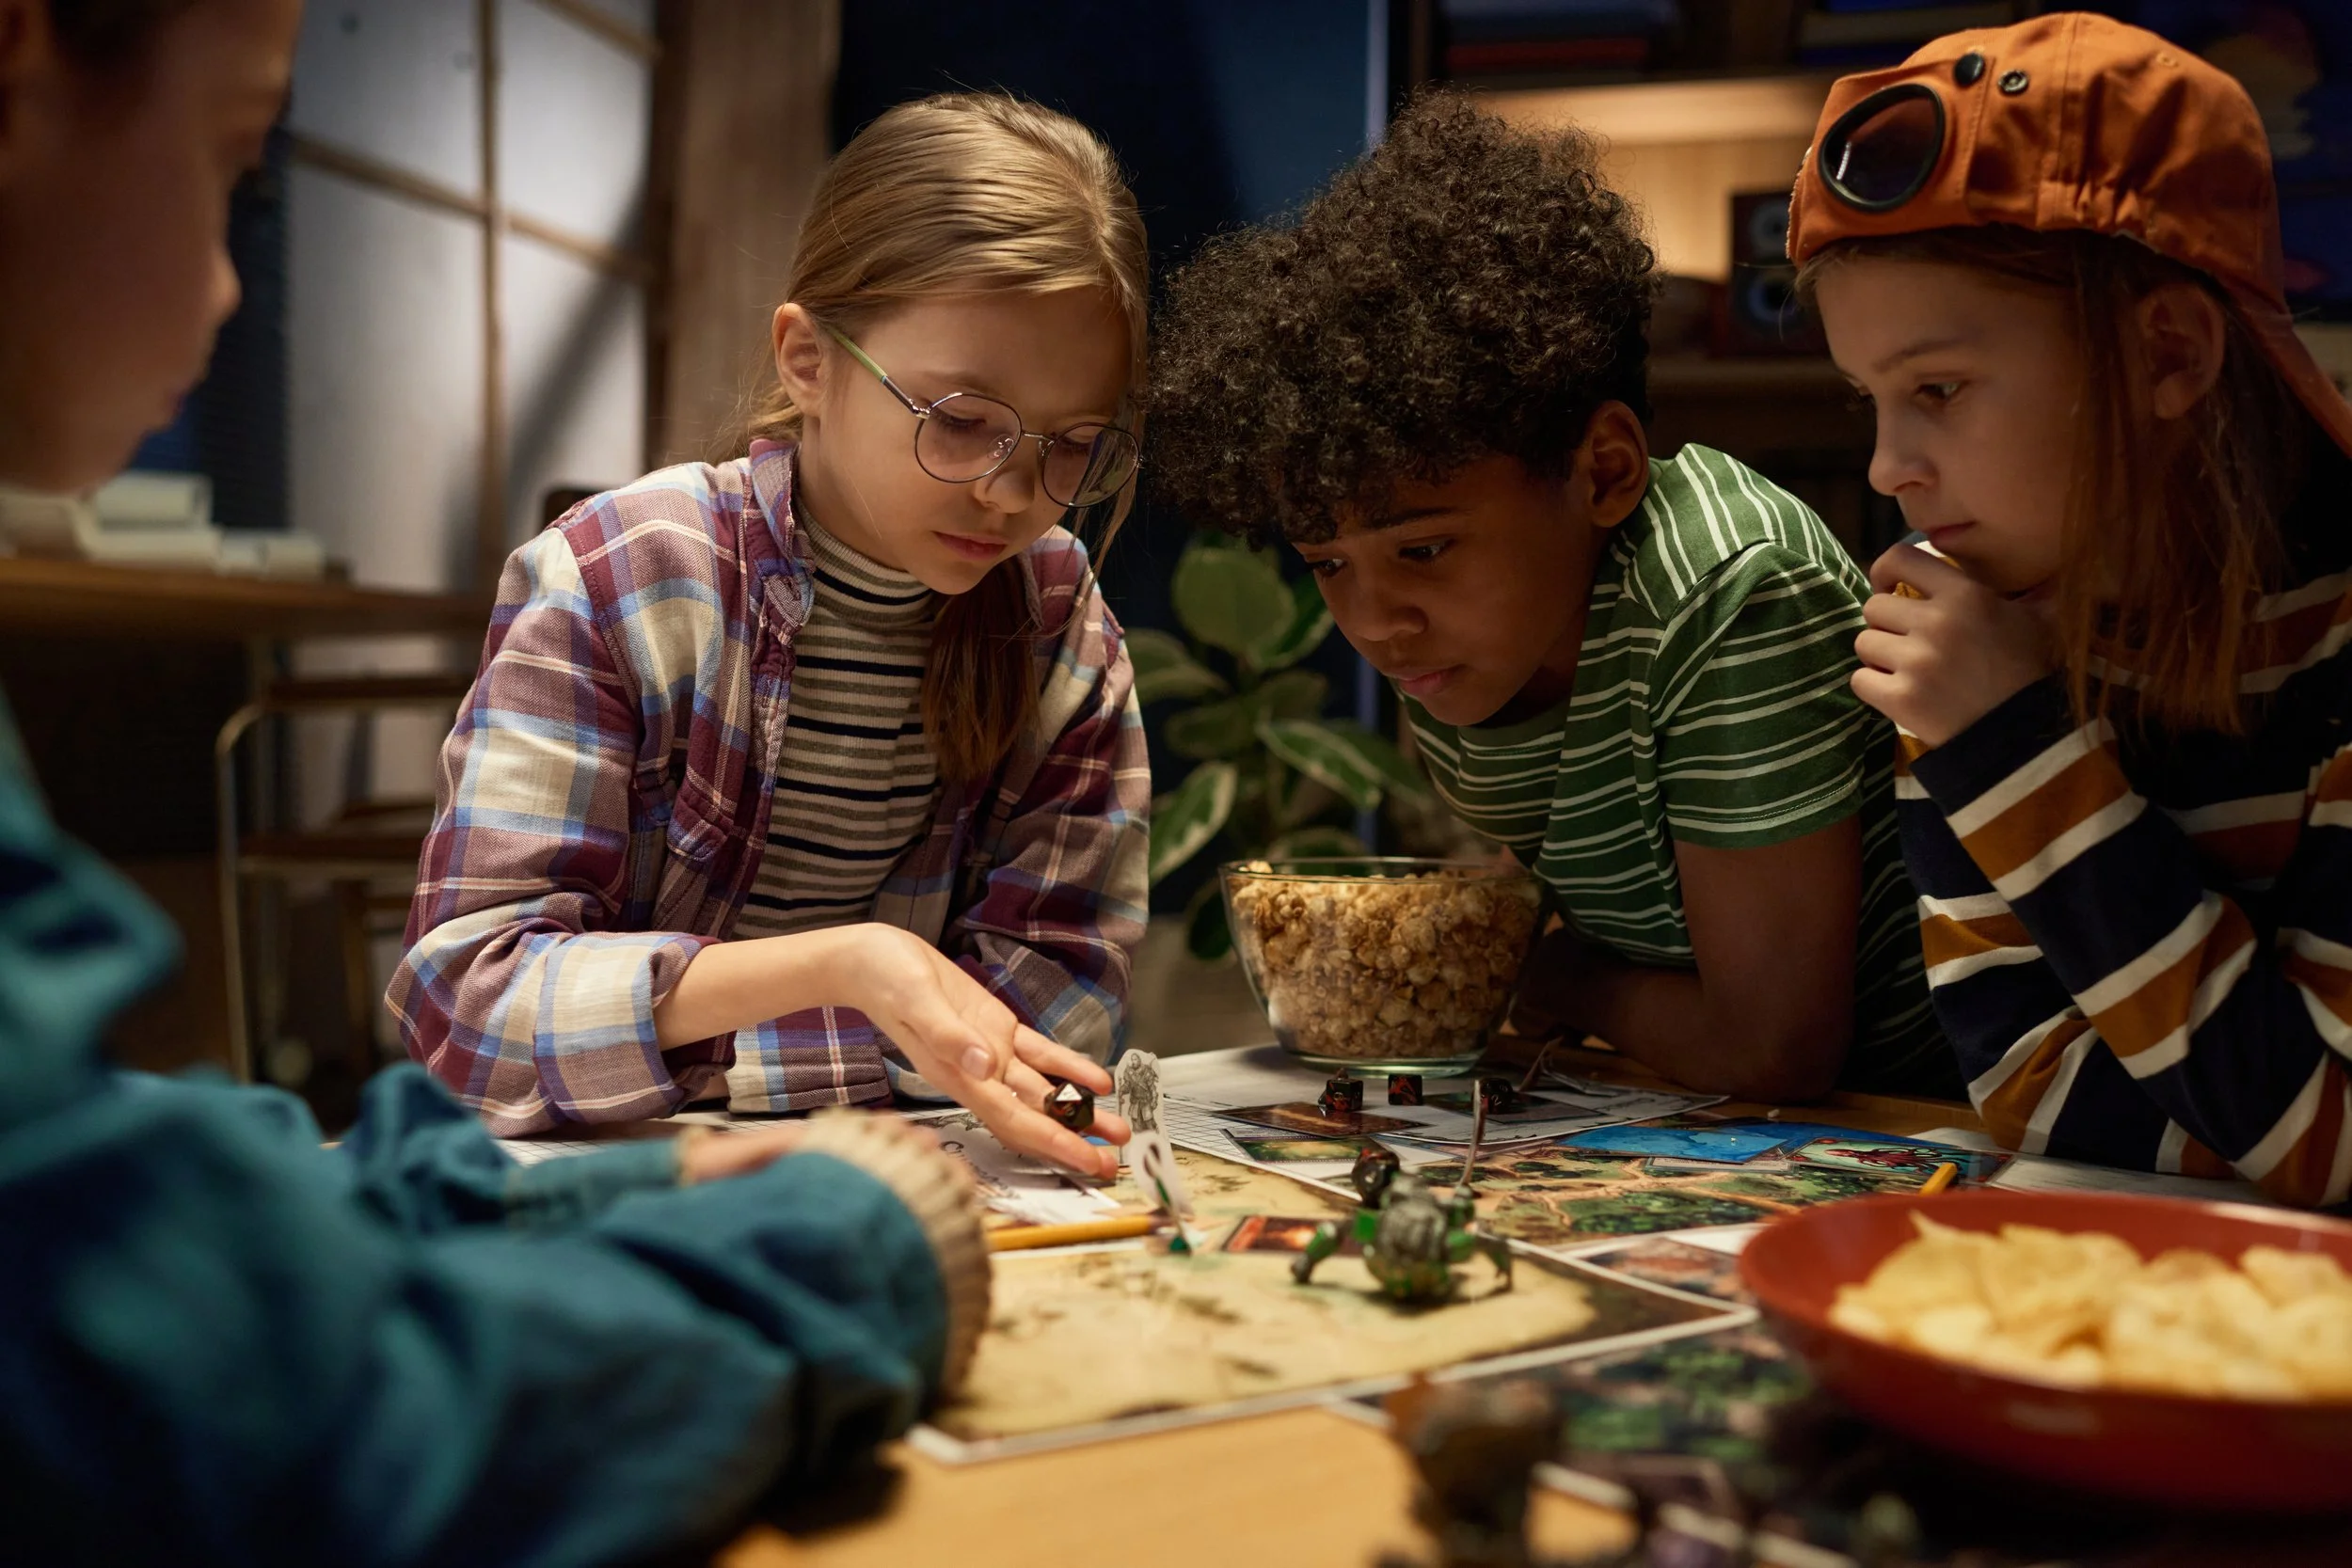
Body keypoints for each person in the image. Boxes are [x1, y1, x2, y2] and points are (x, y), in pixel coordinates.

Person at [0, 3, 996, 1560]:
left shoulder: (1056, 608)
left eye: (1068, 446)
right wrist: (844, 1235)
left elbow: (102, 1179)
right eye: (236, 163)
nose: (227, 281)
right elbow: (263, 1407)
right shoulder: (620, 564)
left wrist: (601, 1189)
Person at [394, 92, 1149, 1175]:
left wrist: (679, 1041)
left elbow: (1055, 1012)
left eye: (1073, 444)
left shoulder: (1061, 632)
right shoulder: (621, 578)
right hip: (617, 1185)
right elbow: (466, 1017)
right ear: (808, 359)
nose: (1011, 489)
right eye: (962, 420)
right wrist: (854, 969)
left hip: (891, 1182)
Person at [1148, 94, 1947, 1101]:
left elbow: (1773, 1049)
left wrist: (1549, 969)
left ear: (1603, 469)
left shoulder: (1728, 592)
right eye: (1327, 562)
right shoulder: (1463, 634)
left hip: (1923, 1119)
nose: (1373, 622)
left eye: (1425, 547)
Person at [1793, 13, 2352, 1203]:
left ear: (2166, 354)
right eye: (1869, 400)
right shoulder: (1969, 637)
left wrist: (2017, 746)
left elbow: (2334, 1139)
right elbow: (2027, 1085)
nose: (1890, 464)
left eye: (1937, 388)